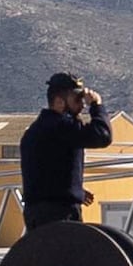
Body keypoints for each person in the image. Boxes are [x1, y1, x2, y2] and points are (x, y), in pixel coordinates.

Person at [17, 73, 113, 233]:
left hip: (40, 214)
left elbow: (48, 172)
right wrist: (96, 106)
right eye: (77, 99)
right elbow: (102, 136)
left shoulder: (38, 129)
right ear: (59, 102)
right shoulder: (60, 126)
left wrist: (74, 190)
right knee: (66, 257)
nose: (82, 105)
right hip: (58, 215)